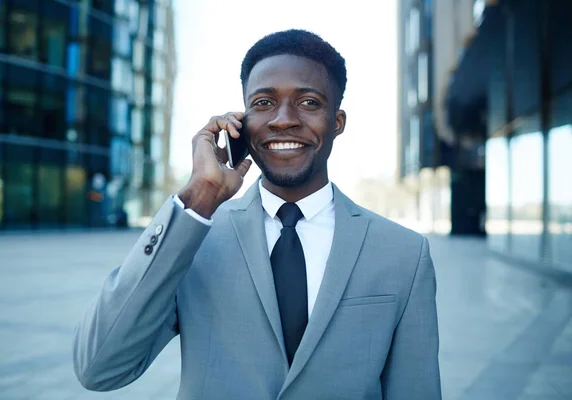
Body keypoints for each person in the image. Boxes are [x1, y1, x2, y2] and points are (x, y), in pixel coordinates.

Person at [73, 29, 442, 399]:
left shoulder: (403, 254)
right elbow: (99, 367)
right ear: (241, 122)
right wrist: (199, 196)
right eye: (263, 103)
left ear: (337, 121)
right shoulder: (194, 239)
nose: (283, 120)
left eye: (309, 102)